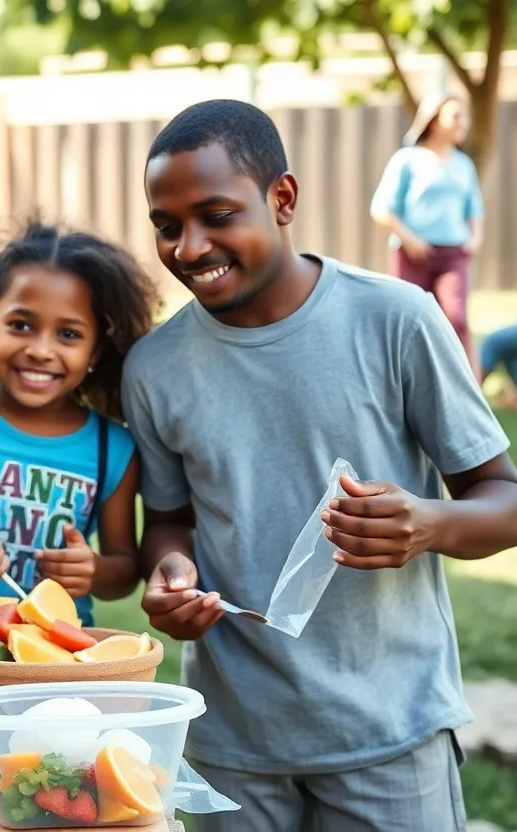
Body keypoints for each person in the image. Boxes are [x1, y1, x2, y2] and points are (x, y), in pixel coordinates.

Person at [124, 98, 517, 831]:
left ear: (282, 198)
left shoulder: (396, 319)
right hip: (234, 745)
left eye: (216, 215)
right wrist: (170, 572)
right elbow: (170, 522)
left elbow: (502, 498)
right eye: (167, 226)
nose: (189, 247)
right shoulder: (154, 367)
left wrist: (428, 524)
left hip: (389, 734)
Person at [0, 221, 156, 627]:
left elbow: (124, 570)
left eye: (68, 334)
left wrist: (93, 570)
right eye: (21, 325)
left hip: (54, 645)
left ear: (95, 351)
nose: (40, 350)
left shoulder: (113, 448)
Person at [370, 93, 485, 374]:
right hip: (412, 254)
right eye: (455, 116)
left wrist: (474, 240)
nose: (463, 123)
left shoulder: (464, 164)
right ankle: (405, 383)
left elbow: (475, 209)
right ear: (434, 122)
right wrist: (410, 240)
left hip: (452, 254)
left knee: (456, 319)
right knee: (406, 323)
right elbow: (381, 209)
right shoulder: (407, 160)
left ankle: (466, 385)